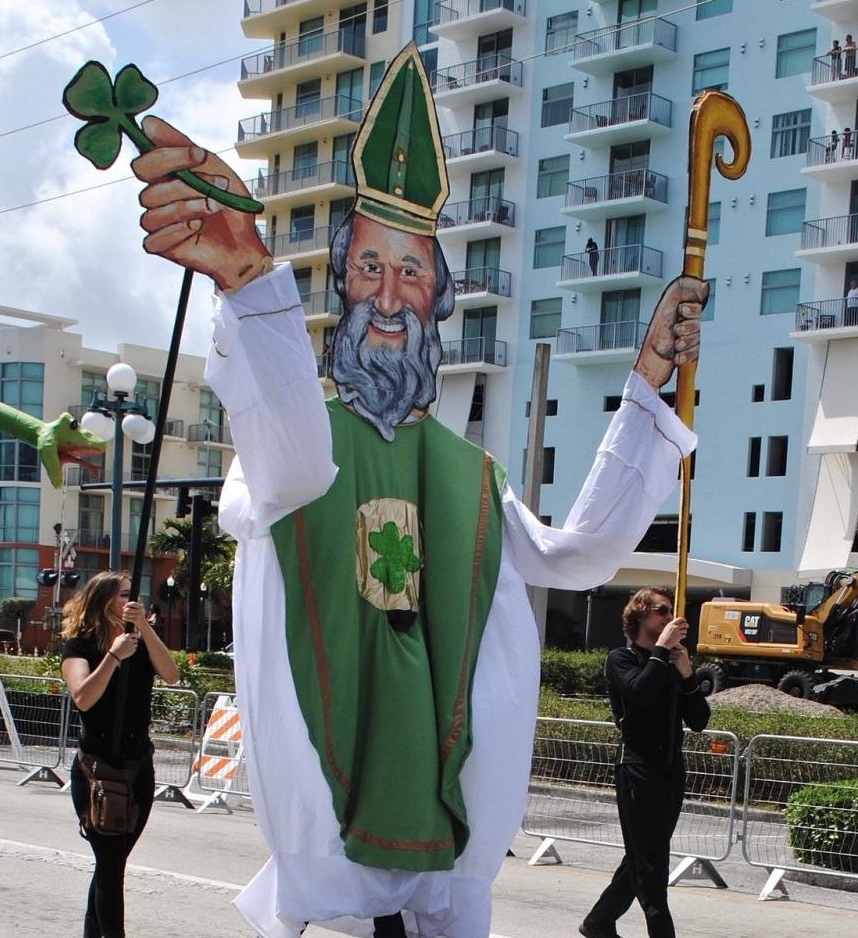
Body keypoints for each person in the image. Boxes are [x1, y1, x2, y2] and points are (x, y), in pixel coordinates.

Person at [128, 42, 703, 938]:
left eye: (411, 273)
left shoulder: (466, 473)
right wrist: (249, 287)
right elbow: (290, 472)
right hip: (334, 866)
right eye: (369, 270)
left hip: (447, 864)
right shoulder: (301, 435)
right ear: (341, 282)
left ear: (437, 296)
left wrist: (648, 386)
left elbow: (577, 555)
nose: (389, 298)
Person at [580, 588, 710, 938]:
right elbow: (637, 694)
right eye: (662, 610)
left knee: (643, 855)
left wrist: (687, 676)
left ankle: (599, 922)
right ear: (640, 616)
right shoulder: (621, 659)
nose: (670, 617)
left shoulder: (668, 663)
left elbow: (699, 719)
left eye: (671, 611)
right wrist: (661, 650)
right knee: (653, 867)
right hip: (638, 770)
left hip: (671, 771)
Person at [61, 571, 179, 938]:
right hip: (97, 771)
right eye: (123, 595)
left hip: (137, 768)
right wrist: (113, 656)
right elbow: (83, 697)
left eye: (134, 595)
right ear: (102, 600)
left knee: (110, 866)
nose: (131, 601)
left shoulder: (139, 641)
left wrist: (143, 627)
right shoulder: (79, 646)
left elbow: (171, 674)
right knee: (111, 869)